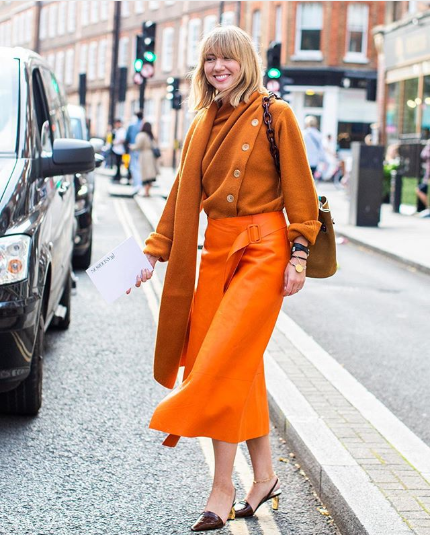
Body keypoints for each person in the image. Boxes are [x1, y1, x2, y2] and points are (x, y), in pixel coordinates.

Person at [128, 26, 321, 532]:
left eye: (227, 58)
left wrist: (298, 256)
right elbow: (178, 199)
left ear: (246, 62)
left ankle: (220, 487)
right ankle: (265, 478)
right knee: (241, 365)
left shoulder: (276, 114)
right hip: (217, 251)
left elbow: (301, 192)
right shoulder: (201, 122)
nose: (218, 67)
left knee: (217, 361)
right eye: (210, 59)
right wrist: (148, 255)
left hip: (264, 251)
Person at [131, 122, 159, 197]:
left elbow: (138, 146)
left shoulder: (142, 135)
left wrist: (131, 147)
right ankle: (147, 191)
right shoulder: (151, 136)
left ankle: (146, 192)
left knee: (145, 174)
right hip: (151, 156)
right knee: (150, 175)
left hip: (144, 156)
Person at [303, 115, 326, 180]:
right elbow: (321, 149)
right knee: (311, 179)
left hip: (305, 159)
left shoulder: (303, 133)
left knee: (304, 179)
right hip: (314, 161)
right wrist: (322, 159)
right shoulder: (318, 134)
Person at [125, 111, 144, 192]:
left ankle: (137, 184)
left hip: (133, 149)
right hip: (142, 150)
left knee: (134, 167)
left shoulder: (131, 125)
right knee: (140, 167)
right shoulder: (143, 125)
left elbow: (127, 137)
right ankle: (140, 184)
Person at [416, 139, 430, 216]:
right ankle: (427, 207)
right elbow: (423, 155)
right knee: (420, 189)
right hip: (428, 175)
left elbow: (424, 155)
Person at [111, 118, 126, 182]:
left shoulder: (122, 130)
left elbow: (122, 139)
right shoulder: (116, 130)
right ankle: (117, 175)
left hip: (120, 150)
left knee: (120, 163)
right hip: (116, 149)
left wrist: (116, 143)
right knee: (116, 164)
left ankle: (118, 176)